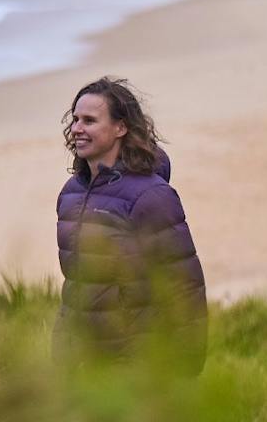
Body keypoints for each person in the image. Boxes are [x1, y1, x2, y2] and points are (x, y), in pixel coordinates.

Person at [54, 76, 207, 371]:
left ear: (120, 128)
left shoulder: (151, 196)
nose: (77, 129)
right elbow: (74, 284)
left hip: (136, 366)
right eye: (74, 120)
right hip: (81, 366)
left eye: (89, 120)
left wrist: (186, 373)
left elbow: (184, 288)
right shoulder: (70, 195)